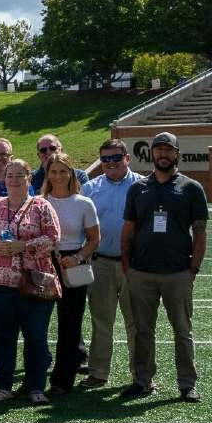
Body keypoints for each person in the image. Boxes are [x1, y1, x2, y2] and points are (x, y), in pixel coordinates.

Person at [121, 131, 207, 402]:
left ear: (177, 154)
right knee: (143, 331)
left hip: (177, 272)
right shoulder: (138, 188)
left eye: (168, 150)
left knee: (182, 330)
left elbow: (200, 231)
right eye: (158, 150)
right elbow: (129, 230)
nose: (163, 154)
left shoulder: (191, 188)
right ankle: (143, 380)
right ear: (151, 154)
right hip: (141, 272)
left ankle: (187, 383)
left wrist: (193, 268)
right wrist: (127, 266)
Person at [0, 158, 61, 406]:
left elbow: (53, 238)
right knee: (3, 336)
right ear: (4, 179)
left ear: (28, 179)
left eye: (19, 175)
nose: (13, 180)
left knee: (35, 336)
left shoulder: (41, 206)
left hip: (34, 283)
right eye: (9, 175)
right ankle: (4, 386)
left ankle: (35, 387)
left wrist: (22, 246)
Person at [82, 138, 142, 389]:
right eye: (105, 159)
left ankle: (142, 375)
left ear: (127, 158)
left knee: (138, 323)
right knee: (101, 321)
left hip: (135, 265)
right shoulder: (90, 189)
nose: (110, 163)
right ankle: (98, 372)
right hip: (101, 263)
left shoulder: (143, 185)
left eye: (116, 158)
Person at [42, 151, 100, 396]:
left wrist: (77, 258)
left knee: (69, 324)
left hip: (73, 264)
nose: (58, 176)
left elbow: (94, 239)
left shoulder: (83, 203)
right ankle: (34, 377)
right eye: (53, 171)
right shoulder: (39, 201)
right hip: (44, 263)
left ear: (71, 174)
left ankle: (62, 379)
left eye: (63, 171)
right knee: (37, 324)